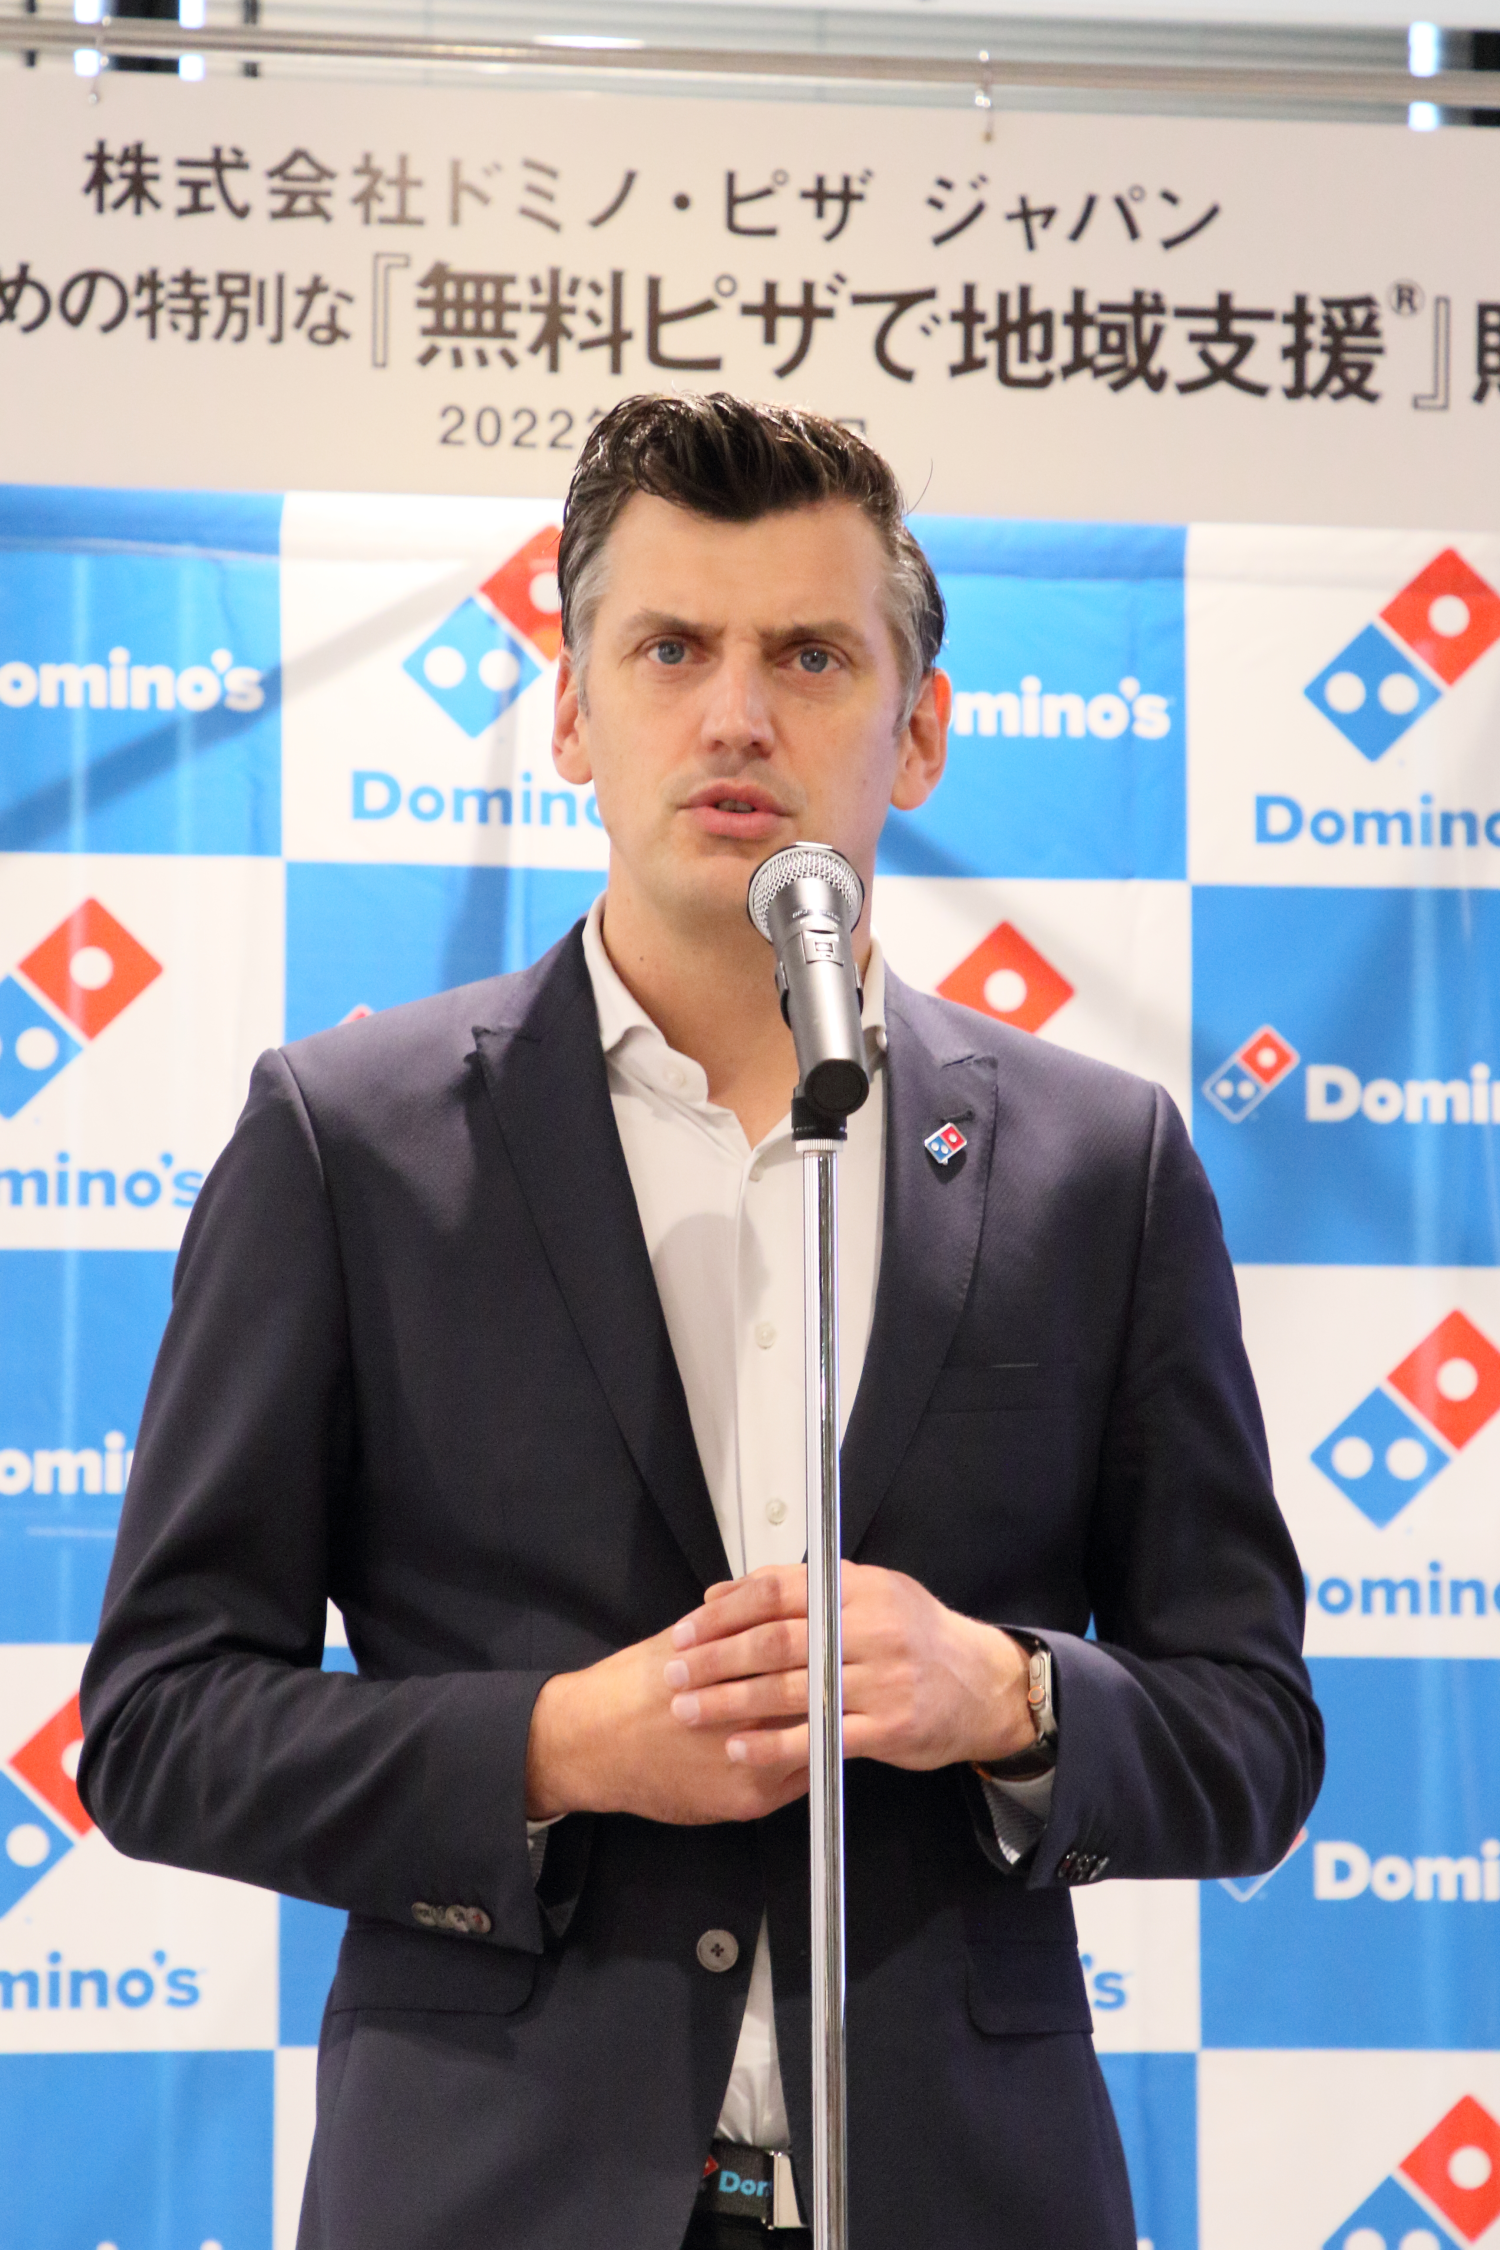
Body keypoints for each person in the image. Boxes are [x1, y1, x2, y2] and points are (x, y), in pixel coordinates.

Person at [80, 393, 1322, 2250]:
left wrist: (1003, 1695)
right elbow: (159, 1723)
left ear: (920, 731)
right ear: (573, 714)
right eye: (671, 649)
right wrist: (555, 1744)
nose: (737, 714)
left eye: (812, 656)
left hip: (969, 2195)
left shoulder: (1100, 1164)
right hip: (488, 2197)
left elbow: (1255, 1732)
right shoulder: (349, 1145)